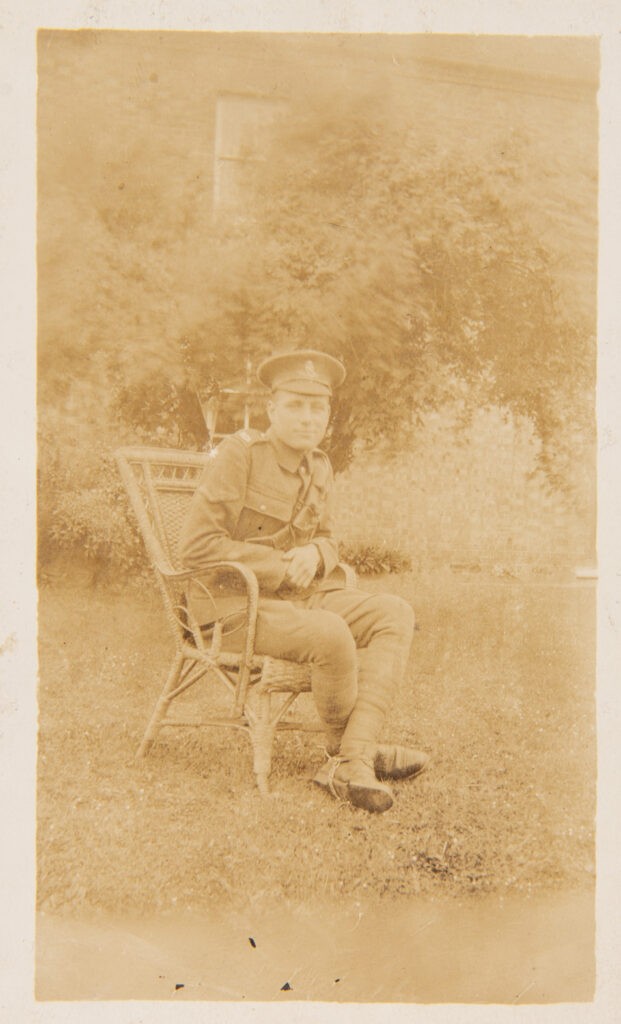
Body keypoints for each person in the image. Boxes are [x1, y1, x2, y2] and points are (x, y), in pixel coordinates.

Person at [179, 349, 428, 813]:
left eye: (318, 407)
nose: (307, 417)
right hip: (231, 604)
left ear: (328, 414)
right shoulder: (240, 454)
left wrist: (316, 552)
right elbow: (195, 548)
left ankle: (352, 756)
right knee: (331, 633)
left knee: (395, 613)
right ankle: (355, 758)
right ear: (272, 409)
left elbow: (329, 537)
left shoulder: (320, 467)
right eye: (295, 405)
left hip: (297, 599)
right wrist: (276, 565)